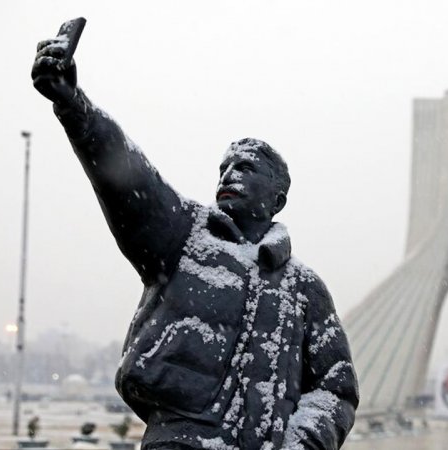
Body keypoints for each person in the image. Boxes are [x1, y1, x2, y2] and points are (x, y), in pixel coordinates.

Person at [31, 31, 358, 450]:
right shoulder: (184, 236)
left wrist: (303, 442)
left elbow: (336, 387)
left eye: (246, 167)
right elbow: (130, 178)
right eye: (223, 168)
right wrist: (75, 107)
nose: (228, 175)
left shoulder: (304, 288)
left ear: (278, 198)